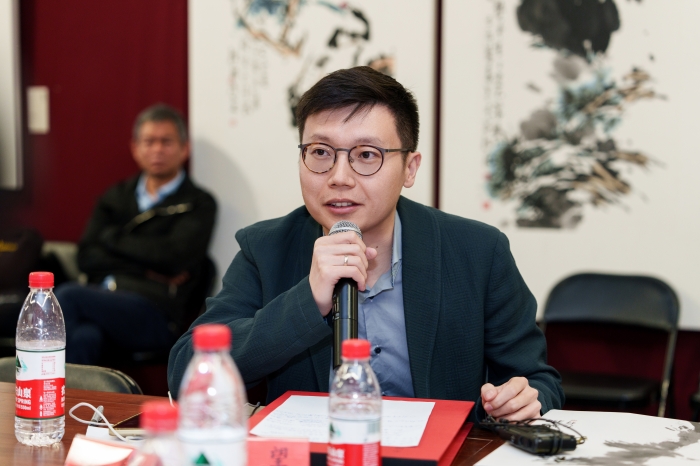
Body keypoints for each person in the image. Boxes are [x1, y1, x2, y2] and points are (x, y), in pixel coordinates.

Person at [167, 67, 563, 421]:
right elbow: (187, 372)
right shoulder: (265, 248)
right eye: (320, 152)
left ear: (409, 168)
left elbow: (538, 381)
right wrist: (308, 300)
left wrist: (523, 400)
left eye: (366, 155)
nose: (339, 176)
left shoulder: (478, 251)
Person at [57, 104, 217, 365]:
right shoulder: (115, 197)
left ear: (184, 149)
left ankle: (33, 385)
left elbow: (174, 259)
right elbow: (86, 257)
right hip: (103, 299)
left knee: (68, 296)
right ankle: (64, 394)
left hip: (155, 311)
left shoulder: (198, 203)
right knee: (86, 337)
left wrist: (111, 238)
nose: (157, 149)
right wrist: (146, 268)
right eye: (149, 142)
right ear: (135, 148)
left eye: (166, 141)